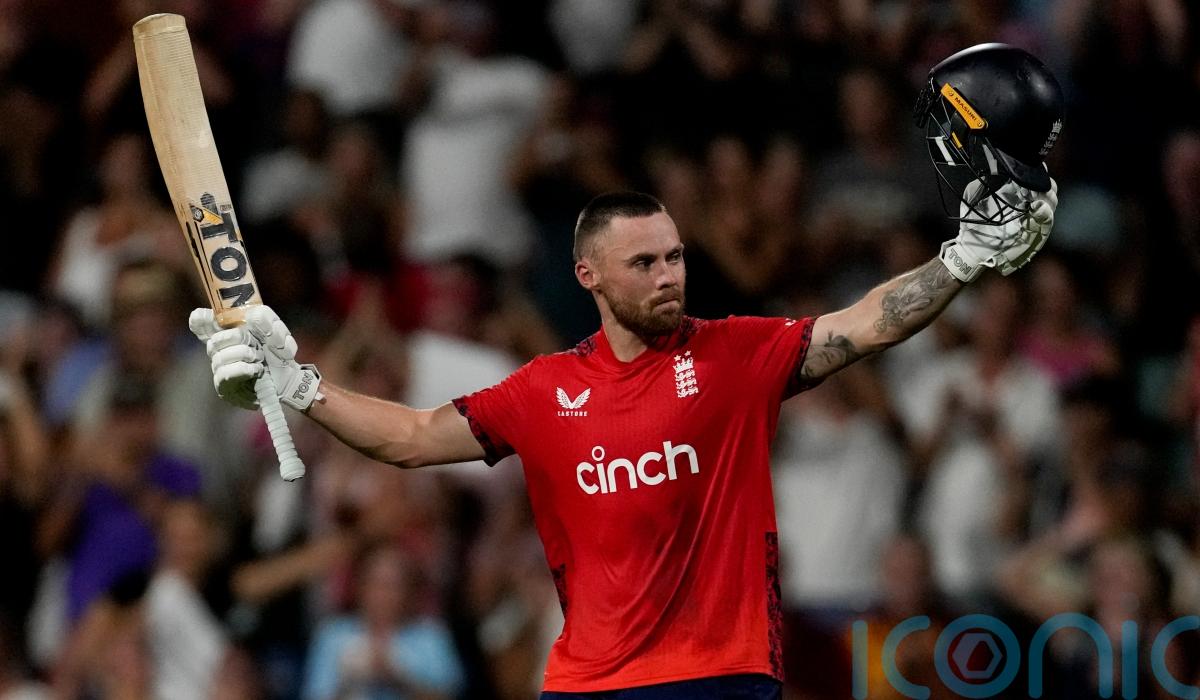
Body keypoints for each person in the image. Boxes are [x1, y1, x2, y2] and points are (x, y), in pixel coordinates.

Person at [190, 44, 1062, 700]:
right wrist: (299, 385)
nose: (669, 275)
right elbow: (413, 438)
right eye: (643, 263)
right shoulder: (542, 391)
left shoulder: (734, 355)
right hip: (590, 685)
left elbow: (864, 325)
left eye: (675, 256)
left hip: (722, 678)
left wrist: (960, 261)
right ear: (589, 277)